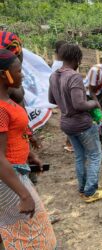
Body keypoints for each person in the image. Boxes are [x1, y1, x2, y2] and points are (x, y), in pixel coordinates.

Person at [0, 49, 57, 249]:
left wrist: (29, 154)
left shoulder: (7, 101)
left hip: (16, 173)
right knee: (33, 238)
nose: (22, 74)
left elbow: (14, 136)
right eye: (17, 70)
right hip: (8, 181)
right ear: (3, 74)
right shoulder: (0, 109)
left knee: (20, 230)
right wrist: (24, 195)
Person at [48, 44, 102, 203]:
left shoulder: (54, 75)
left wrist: (64, 102)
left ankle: (82, 188)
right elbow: (79, 105)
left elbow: (51, 100)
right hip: (81, 124)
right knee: (95, 155)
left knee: (80, 157)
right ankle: (90, 191)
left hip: (66, 123)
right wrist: (94, 104)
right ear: (77, 59)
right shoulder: (74, 76)